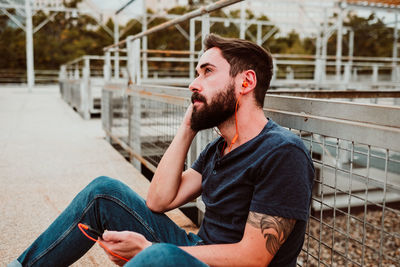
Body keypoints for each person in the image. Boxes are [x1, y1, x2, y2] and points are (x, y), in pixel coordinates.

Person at [9, 34, 314, 267]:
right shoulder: (218, 149)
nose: (193, 83)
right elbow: (158, 201)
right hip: (197, 251)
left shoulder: (282, 152)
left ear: (246, 81)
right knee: (103, 192)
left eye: (207, 72)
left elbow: (253, 257)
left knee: (160, 258)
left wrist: (148, 250)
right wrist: (187, 127)